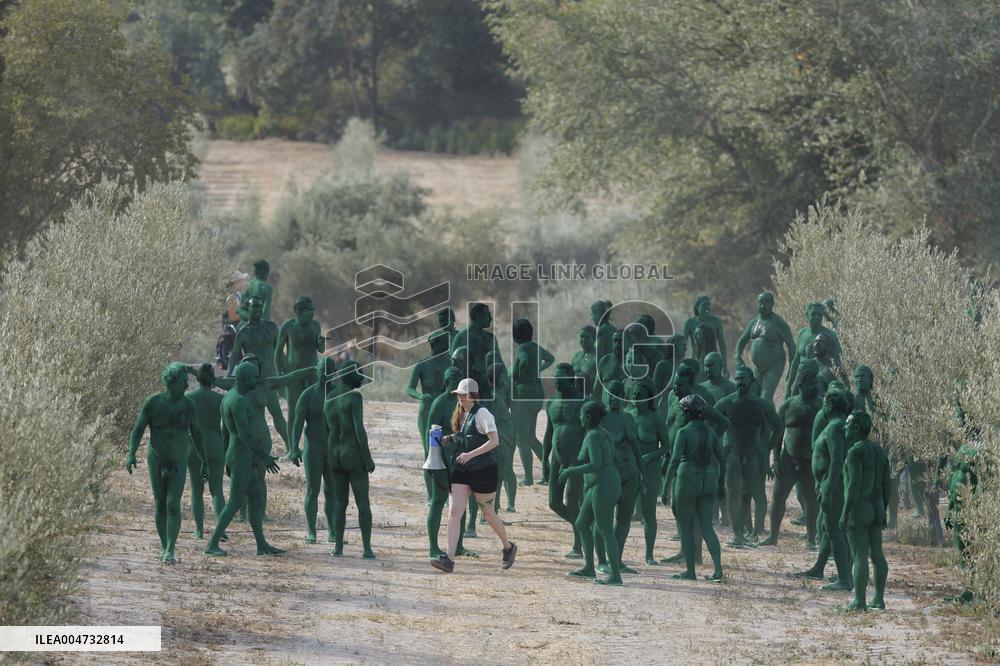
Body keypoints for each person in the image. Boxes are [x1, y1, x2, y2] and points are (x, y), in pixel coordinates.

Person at [431, 378, 517, 573]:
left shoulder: (483, 414)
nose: (459, 398)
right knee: (454, 513)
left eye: (462, 395)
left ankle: (508, 547)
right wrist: (448, 439)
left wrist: (470, 455)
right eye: (459, 395)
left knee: (488, 513)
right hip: (462, 470)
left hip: (483, 470)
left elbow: (494, 441)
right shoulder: (462, 413)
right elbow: (464, 435)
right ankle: (449, 559)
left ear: (472, 395)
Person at [127, 363, 208, 564]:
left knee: (173, 503)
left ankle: (171, 549)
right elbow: (138, 429)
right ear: (170, 382)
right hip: (156, 459)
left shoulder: (189, 406)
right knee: (160, 503)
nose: (186, 386)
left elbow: (197, 434)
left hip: (179, 460)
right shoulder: (153, 403)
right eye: (183, 382)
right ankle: (164, 545)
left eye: (187, 382)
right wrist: (131, 453)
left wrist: (204, 460)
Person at [204, 361, 284, 557]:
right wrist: (264, 457)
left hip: (240, 455)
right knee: (235, 501)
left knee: (255, 499)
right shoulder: (239, 401)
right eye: (254, 378)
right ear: (243, 378)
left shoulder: (229, 398)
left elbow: (224, 432)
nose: (257, 381)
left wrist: (226, 458)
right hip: (241, 456)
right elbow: (244, 435)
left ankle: (261, 545)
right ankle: (212, 544)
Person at [560, 400, 623, 585]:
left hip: (604, 485)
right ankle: (589, 567)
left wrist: (570, 471)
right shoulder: (601, 433)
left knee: (605, 530)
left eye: (581, 415)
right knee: (581, 523)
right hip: (601, 484)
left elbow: (596, 465)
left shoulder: (594, 435)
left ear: (587, 417)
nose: (579, 418)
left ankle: (616, 576)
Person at [663, 394, 725, 581]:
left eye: (682, 412)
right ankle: (718, 570)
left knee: (686, 528)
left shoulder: (683, 432)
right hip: (709, 480)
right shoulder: (711, 433)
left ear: (687, 412)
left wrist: (665, 488)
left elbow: (674, 461)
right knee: (707, 528)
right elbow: (722, 459)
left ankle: (690, 571)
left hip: (688, 480)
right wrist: (721, 482)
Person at [325, 361, 377, 559]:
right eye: (359, 373)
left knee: (340, 503)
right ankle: (367, 549)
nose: (362, 377)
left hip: (334, 453)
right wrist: (368, 458)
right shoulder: (354, 397)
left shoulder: (329, 396)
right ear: (349, 375)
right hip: (352, 454)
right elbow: (359, 431)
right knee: (363, 503)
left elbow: (327, 428)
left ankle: (338, 547)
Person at [839, 411, 890, 611]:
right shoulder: (880, 452)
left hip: (859, 508)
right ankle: (878, 599)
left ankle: (859, 601)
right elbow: (887, 486)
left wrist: (845, 513)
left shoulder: (855, 452)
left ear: (856, 428)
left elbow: (854, 485)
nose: (845, 427)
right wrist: (884, 509)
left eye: (848, 424)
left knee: (859, 554)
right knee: (877, 555)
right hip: (877, 508)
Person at [289, 357, 338, 544]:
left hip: (332, 448)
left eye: (329, 370)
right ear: (316, 371)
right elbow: (297, 423)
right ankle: (311, 530)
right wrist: (294, 448)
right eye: (322, 369)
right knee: (312, 490)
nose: (325, 373)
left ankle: (333, 531)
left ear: (335, 372)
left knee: (332, 491)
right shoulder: (308, 395)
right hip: (313, 447)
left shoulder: (338, 394)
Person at [275, 295, 325, 459]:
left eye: (313, 309)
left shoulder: (315, 326)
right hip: (293, 375)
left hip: (312, 373)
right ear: (299, 311)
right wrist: (281, 376)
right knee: (293, 412)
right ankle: (292, 449)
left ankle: (314, 447)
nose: (313, 312)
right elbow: (278, 352)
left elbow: (320, 350)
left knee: (315, 410)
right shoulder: (288, 326)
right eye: (310, 310)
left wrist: (321, 343)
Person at [406, 330, 451, 501]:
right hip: (427, 412)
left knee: (447, 451)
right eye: (444, 342)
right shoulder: (422, 365)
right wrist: (419, 396)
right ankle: (432, 496)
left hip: (446, 412)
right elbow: (410, 388)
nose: (447, 345)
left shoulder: (450, 363)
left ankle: (446, 493)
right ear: (435, 344)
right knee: (430, 452)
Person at [511, 317, 554, 486]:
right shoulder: (535, 347)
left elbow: (523, 361)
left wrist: (518, 375)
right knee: (531, 438)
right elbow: (550, 358)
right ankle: (548, 471)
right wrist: (537, 370)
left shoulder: (522, 348)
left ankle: (528, 477)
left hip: (525, 394)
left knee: (521, 439)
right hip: (537, 393)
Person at [185, 363, 226, 540]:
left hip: (194, 446)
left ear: (198, 378)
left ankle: (199, 530)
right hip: (216, 444)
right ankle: (221, 529)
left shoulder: (189, 398)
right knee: (217, 491)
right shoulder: (220, 399)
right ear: (213, 380)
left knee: (197, 491)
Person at [734, 291, 795, 404]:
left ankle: (771, 416)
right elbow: (741, 341)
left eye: (766, 302)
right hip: (757, 366)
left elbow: (791, 346)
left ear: (772, 304)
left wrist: (792, 367)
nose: (763, 305)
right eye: (760, 302)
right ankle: (763, 416)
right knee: (754, 395)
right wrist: (737, 357)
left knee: (766, 397)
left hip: (774, 365)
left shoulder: (778, 323)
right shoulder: (753, 323)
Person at [785, 303, 842, 400]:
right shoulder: (802, 333)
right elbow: (796, 361)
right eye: (814, 314)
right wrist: (789, 385)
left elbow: (838, 360)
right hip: (801, 379)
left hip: (820, 379)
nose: (817, 317)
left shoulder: (829, 335)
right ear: (807, 315)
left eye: (820, 314)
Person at [683, 295, 728, 376]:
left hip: (713, 361)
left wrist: (725, 365)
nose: (708, 307)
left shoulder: (716, 321)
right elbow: (683, 344)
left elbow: (722, 344)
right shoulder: (689, 323)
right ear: (697, 306)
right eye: (705, 304)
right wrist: (682, 363)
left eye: (709, 305)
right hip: (696, 361)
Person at [238, 259, 274, 324]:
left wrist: (250, 317)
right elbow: (266, 311)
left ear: (255, 272)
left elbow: (240, 309)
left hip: (245, 324)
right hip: (261, 325)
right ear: (266, 273)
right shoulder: (267, 288)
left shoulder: (246, 286)